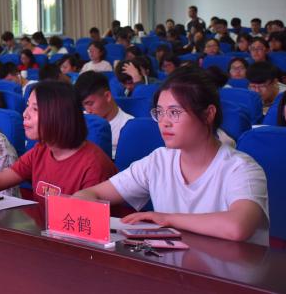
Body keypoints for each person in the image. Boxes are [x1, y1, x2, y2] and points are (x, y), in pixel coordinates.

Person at [75, 68, 269, 245]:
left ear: (208, 114)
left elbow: (237, 226)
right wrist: (83, 202)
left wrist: (166, 218)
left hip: (232, 270)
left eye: (174, 112)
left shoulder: (241, 168)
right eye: (160, 112)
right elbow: (91, 194)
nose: (164, 122)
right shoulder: (159, 161)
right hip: (175, 265)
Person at [0, 80, 117, 203]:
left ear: (59, 116)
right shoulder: (41, 150)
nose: (25, 114)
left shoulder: (93, 165)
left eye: (35, 109)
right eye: (27, 106)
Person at [75, 71, 133, 157]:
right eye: (83, 106)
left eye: (90, 104)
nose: (88, 110)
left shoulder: (129, 126)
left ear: (107, 96)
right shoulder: (79, 120)